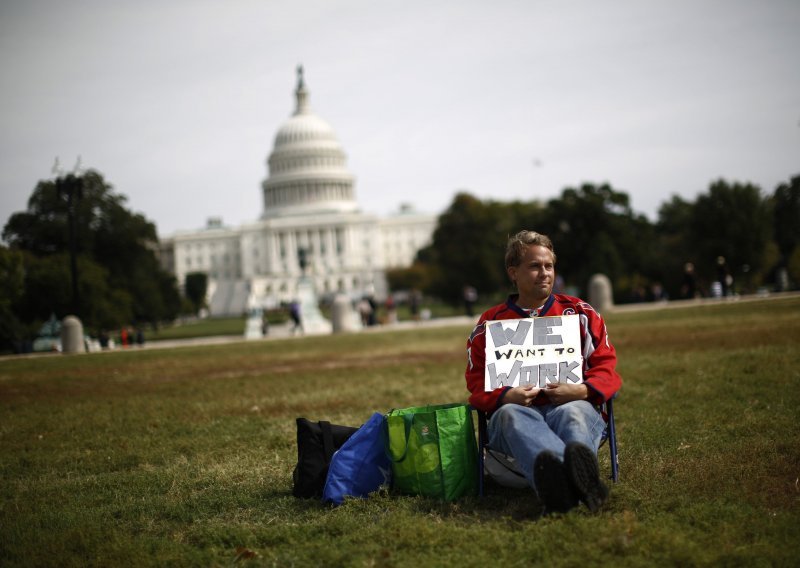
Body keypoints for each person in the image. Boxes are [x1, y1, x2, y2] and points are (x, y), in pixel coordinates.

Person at [465, 230, 622, 514]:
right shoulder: (490, 323)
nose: (544, 273)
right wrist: (505, 396)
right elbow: (476, 386)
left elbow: (607, 370)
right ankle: (581, 482)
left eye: (548, 266)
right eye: (534, 266)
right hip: (515, 418)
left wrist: (583, 390)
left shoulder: (580, 314)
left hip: (574, 406)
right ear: (513, 272)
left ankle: (559, 490)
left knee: (571, 411)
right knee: (512, 415)